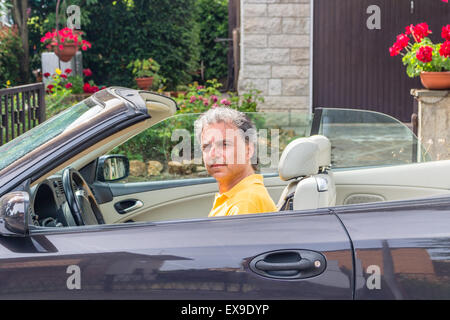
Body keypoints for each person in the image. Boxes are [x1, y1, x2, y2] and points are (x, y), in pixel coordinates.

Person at [194, 107, 277, 217]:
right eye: (206, 146)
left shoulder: (245, 202)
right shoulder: (235, 195)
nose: (212, 154)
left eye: (224, 144)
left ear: (249, 150)